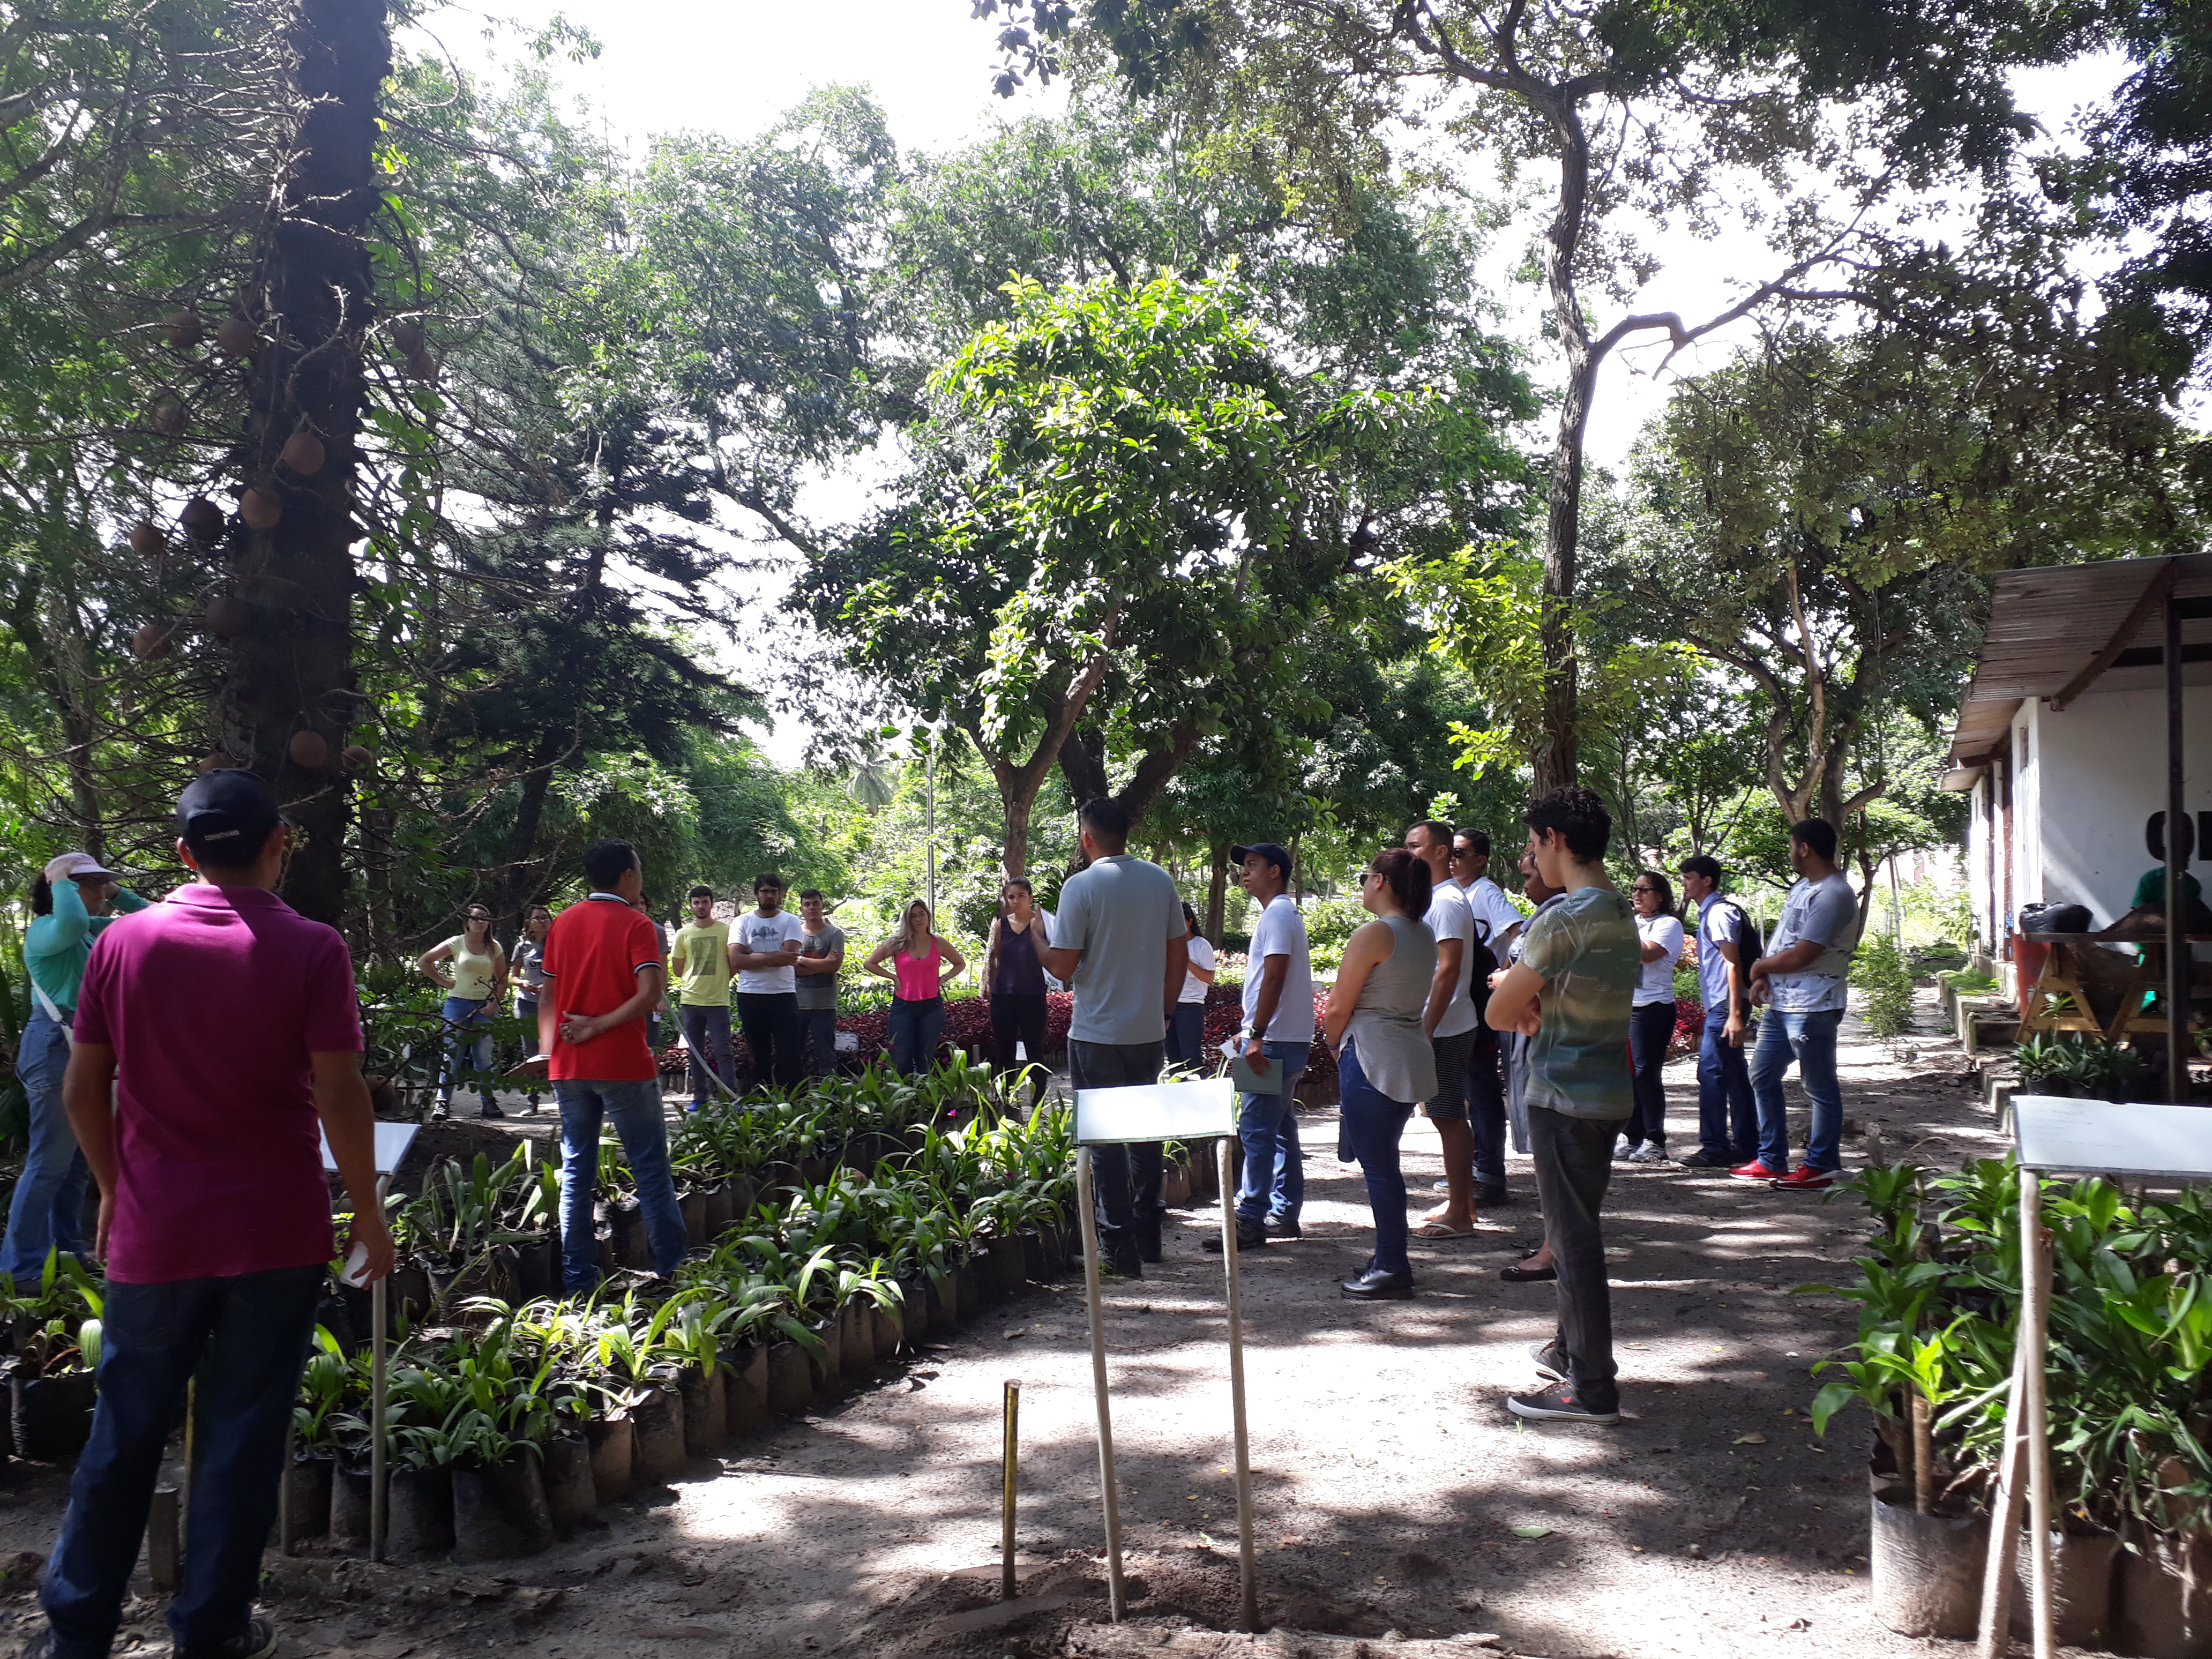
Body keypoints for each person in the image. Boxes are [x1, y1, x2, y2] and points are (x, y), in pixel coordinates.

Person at [29, 769, 393, 1659]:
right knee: (241, 1435)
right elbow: (338, 1092)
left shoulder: (122, 945)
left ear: (184, 855)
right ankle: (212, 1628)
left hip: (157, 1237)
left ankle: (76, 1633)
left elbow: (85, 1088)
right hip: (274, 1235)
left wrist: (115, 1190)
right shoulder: (314, 947)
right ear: (278, 846)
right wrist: (368, 1211)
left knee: (124, 1432)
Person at [1486, 786, 1639, 1424]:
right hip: (1604, 1094)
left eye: (1533, 845)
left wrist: (1510, 991)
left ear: (1555, 840)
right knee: (1575, 1229)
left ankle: (1591, 1386)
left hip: (1561, 1095)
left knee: (1573, 1242)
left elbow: (1498, 1009)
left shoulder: (1562, 918)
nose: (1531, 858)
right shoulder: (1620, 911)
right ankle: (1570, 1350)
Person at [527, 839, 688, 1290]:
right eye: (639, 868)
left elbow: (548, 995)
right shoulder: (638, 925)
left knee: (576, 1169)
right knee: (650, 1166)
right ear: (628, 876)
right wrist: (599, 1026)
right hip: (623, 1064)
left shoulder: (563, 924)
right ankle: (673, 1268)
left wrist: (547, 1050)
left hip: (569, 1065)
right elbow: (650, 995)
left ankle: (578, 1278)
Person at [1040, 798, 1187, 1277]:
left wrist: (1033, 937)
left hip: (1096, 1034)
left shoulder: (1079, 887)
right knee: (1145, 1136)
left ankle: (1117, 1250)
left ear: (1086, 837)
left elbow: (1062, 967)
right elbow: (1178, 957)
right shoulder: (1160, 881)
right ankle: (1149, 1239)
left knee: (1104, 1142)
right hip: (1147, 1033)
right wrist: (1164, 1013)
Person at [1, 853, 148, 1288]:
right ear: (61, 891)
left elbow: (154, 922)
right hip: (54, 1045)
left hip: (86, 1044)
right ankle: (21, 1269)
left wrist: (118, 892)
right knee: (50, 1162)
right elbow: (70, 924)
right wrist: (61, 879)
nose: (99, 891)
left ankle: (64, 1252)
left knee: (79, 1163)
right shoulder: (49, 931)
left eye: (102, 884)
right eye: (91, 884)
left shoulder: (87, 935)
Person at [1319, 847, 1438, 1299]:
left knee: (1380, 1168)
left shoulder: (1374, 933)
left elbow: (1336, 1006)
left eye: (1368, 876)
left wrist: (1333, 1044)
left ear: (1382, 882)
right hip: (1405, 1053)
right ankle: (1388, 1256)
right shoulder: (1421, 933)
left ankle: (1392, 1265)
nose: (1365, 883)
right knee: (1385, 1161)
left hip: (1370, 1054)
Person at [1742, 818, 1858, 1191]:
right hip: (1783, 1004)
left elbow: (1806, 953)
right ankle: (1772, 1157)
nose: (1791, 853)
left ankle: (1823, 1164)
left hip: (1813, 1006)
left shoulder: (1833, 894)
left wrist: (1759, 966)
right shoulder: (1804, 887)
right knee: (1762, 1075)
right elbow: (1785, 940)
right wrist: (1764, 974)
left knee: (1819, 1086)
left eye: (1793, 846)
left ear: (1804, 848)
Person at [1209, 842, 1314, 1253]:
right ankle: (1283, 1213)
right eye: (1243, 866)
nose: (1244, 873)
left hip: (1270, 1045)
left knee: (1255, 1129)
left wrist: (1255, 1033)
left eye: (1253, 866)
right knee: (1281, 1128)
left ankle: (1249, 1219)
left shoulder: (1278, 915)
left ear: (1276, 871)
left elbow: (1273, 978)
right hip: (1281, 1039)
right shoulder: (1283, 914)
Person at [1406, 820, 1486, 1238]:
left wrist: (1426, 1028)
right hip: (1442, 1025)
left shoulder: (1447, 902)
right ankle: (1463, 1203)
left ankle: (1460, 1213)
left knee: (1448, 1115)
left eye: (1415, 846)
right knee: (1445, 1114)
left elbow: (1449, 969)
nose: (1408, 853)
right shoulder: (1434, 899)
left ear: (1440, 852)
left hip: (1447, 1027)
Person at [1494, 847, 1568, 1284]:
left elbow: (1542, 979)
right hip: (1529, 1038)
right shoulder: (1554, 914)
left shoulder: (1561, 915)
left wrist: (1509, 983)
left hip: (1542, 1040)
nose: (1524, 884)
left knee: (1552, 1153)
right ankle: (1554, 1241)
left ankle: (1555, 1249)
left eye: (1529, 874)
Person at [1451, 829, 1521, 1206]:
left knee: (1481, 1090)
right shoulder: (1452, 894)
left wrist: (1502, 975)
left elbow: (1518, 931)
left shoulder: (1486, 893)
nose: (1453, 859)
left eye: (1460, 853)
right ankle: (1474, 1173)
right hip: (1462, 1005)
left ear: (1480, 860)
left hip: (1478, 1004)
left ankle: (1490, 1177)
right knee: (1466, 1091)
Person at [1676, 856, 1757, 1170]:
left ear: (1707, 880)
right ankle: (1748, 1144)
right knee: (1734, 1074)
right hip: (1723, 1005)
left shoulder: (1720, 913)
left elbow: (1732, 963)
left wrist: (1735, 1013)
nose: (1684, 882)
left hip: (1725, 1005)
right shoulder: (1709, 912)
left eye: (1689, 876)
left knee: (1710, 1072)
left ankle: (1715, 1146)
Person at [419, 903, 507, 1120]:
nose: (481, 922)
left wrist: (495, 1003)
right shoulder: (456, 943)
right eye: (476, 918)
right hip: (457, 1004)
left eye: (485, 918)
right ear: (467, 922)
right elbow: (425, 961)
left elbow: (502, 979)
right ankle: (442, 1103)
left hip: (484, 1007)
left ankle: (489, 1103)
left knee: (483, 1057)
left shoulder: (493, 947)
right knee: (452, 1055)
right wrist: (443, 982)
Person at [1623, 870, 1685, 1161]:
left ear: (1660, 895)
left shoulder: (1668, 924)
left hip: (1653, 1007)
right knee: (1626, 1075)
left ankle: (1654, 1140)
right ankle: (1631, 1136)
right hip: (1624, 1006)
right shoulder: (1631, 924)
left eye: (1645, 890)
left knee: (1647, 1074)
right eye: (1635, 889)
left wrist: (1614, 936)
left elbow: (1647, 954)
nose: (1637, 894)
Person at [864, 901, 966, 1077]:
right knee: (900, 1059)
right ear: (907, 919)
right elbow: (869, 963)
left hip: (931, 1007)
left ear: (928, 916)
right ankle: (902, 1100)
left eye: (922, 914)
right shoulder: (898, 943)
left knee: (925, 1060)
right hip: (903, 1008)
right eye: (913, 916)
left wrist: (944, 978)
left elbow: (960, 964)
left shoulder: (939, 943)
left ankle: (925, 1101)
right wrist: (893, 977)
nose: (918, 919)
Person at [731, 875, 806, 1092]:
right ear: (756, 894)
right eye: (765, 891)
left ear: (781, 894)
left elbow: (790, 957)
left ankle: (794, 1104)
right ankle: (762, 1106)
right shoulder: (742, 921)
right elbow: (735, 960)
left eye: (774, 891)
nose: (770, 896)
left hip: (783, 995)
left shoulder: (790, 920)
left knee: (789, 1055)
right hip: (750, 995)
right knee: (759, 1055)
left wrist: (751, 956)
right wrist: (776, 956)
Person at [983, 878, 1052, 1096]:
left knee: (1035, 1050)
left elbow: (1051, 956)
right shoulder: (1001, 925)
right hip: (1004, 995)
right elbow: (1000, 958)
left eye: (1021, 896)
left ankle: (1038, 1099)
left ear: (1030, 897)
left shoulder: (1041, 922)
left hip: (1033, 995)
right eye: (1011, 897)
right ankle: (1007, 1100)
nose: (1016, 901)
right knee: (1005, 1051)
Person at [668, 885, 734, 1111]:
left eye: (705, 902)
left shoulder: (726, 931)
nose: (700, 906)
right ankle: (700, 1097)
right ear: (691, 905)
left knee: (724, 1051)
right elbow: (678, 969)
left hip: (718, 1001)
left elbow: (733, 963)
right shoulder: (683, 934)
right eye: (696, 903)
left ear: (712, 904)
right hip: (690, 1001)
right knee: (695, 1053)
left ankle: (730, 1098)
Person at [794, 890, 846, 1079]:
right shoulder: (794, 934)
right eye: (807, 904)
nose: (812, 908)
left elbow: (834, 966)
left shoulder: (835, 934)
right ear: (802, 909)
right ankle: (796, 1098)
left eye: (816, 903)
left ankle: (830, 1097)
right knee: (794, 1055)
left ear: (823, 906)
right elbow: (791, 968)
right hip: (796, 1004)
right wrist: (822, 964)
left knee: (827, 1056)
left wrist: (802, 960)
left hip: (825, 1005)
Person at [512, 903, 554, 1114]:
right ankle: (532, 1102)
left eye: (546, 917)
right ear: (529, 922)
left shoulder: (559, 944)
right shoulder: (522, 946)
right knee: (530, 1054)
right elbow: (513, 976)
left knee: (554, 1051)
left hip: (552, 1005)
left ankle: (562, 1096)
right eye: (537, 918)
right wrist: (524, 984)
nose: (543, 921)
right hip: (526, 1003)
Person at [1169, 902, 1216, 1066]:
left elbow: (1209, 978)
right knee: (1173, 1058)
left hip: (1190, 1007)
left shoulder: (1201, 945)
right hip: (1168, 1006)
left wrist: (1185, 961)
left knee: (1191, 1057)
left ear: (1190, 922)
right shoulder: (1167, 945)